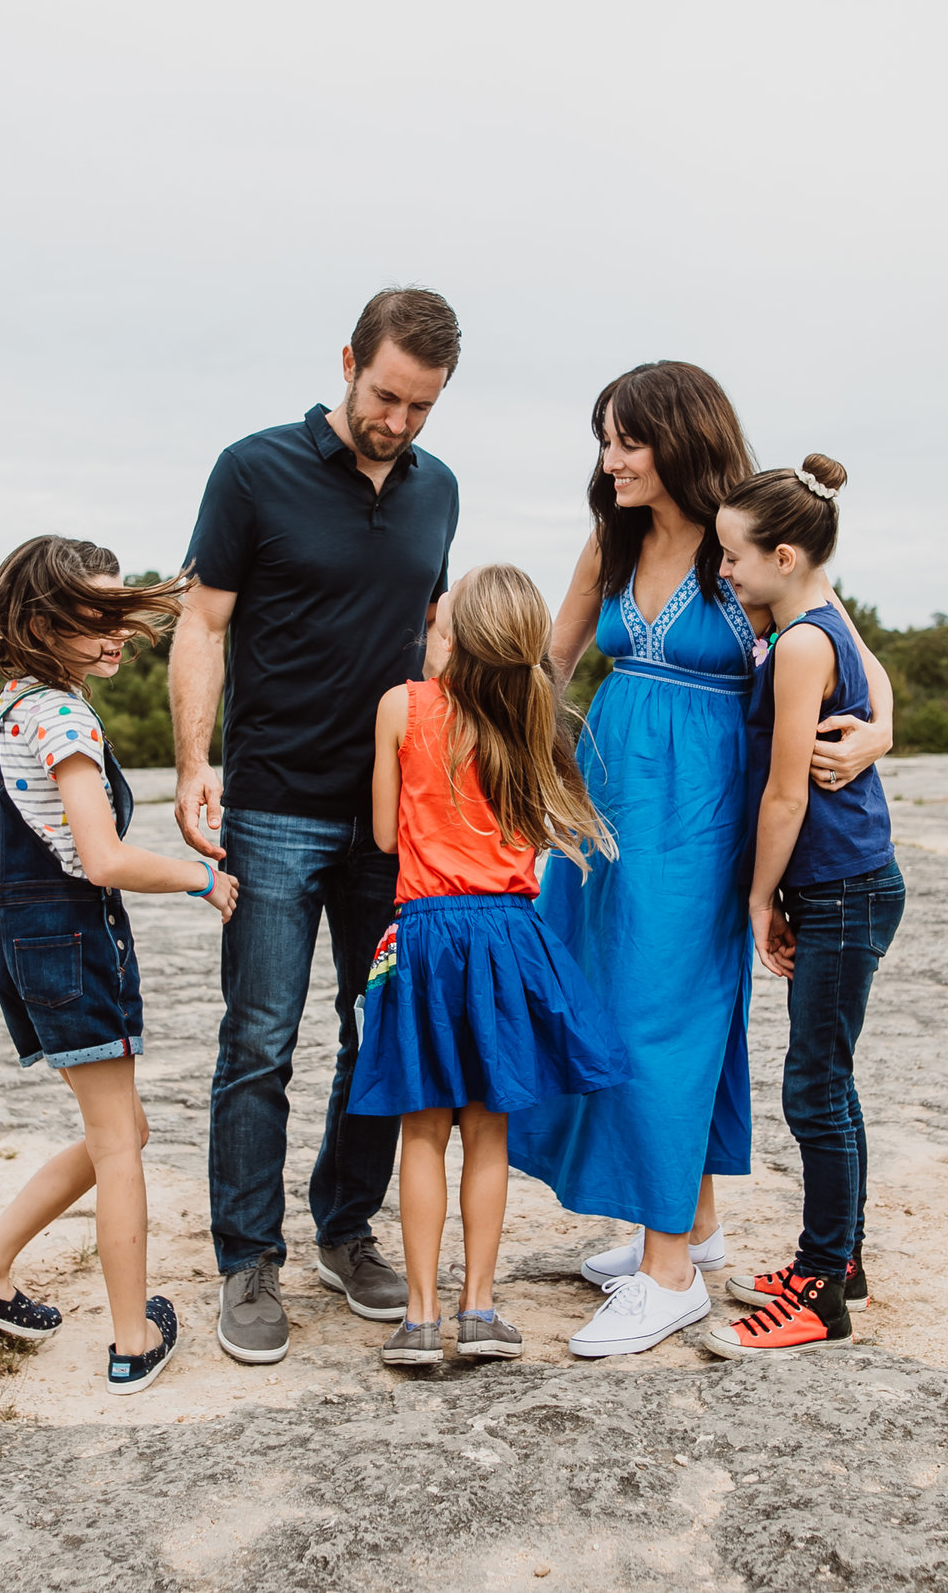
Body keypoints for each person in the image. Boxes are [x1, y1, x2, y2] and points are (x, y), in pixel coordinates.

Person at [506, 361, 894, 1359]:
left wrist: (877, 733)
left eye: (626, 439)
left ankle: (667, 1271)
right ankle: (692, 1220)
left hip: (704, 804)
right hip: (608, 799)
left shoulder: (744, 535)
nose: (611, 459)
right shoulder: (616, 533)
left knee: (665, 1012)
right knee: (600, 997)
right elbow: (554, 657)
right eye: (604, 439)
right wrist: (499, 758)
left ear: (676, 435)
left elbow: (845, 644)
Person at [0, 536, 240, 1398]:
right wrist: (200, 875)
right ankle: (133, 1339)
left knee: (120, 1130)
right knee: (119, 1143)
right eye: (89, 620)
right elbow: (101, 859)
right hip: (73, 939)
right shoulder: (61, 717)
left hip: (21, 943)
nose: (112, 637)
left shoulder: (5, 711)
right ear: (38, 621)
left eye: (116, 618)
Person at [170, 288, 465, 1364]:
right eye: (385, 395)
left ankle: (345, 1226)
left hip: (393, 818)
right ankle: (248, 1257)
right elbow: (202, 623)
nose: (397, 422)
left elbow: (432, 635)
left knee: (376, 1032)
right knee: (259, 1038)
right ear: (348, 360)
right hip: (274, 805)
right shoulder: (252, 469)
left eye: (421, 407)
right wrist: (196, 761)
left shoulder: (439, 492)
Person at [350, 565, 628, 1367]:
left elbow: (382, 836)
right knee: (488, 1133)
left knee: (422, 1132)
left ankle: (419, 1316)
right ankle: (478, 1309)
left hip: (426, 938)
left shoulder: (402, 706)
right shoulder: (534, 715)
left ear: (456, 634)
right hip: (507, 936)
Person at [703, 458, 907, 1357]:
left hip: (840, 888)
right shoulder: (820, 614)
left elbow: (786, 795)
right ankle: (840, 1259)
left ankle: (822, 1290)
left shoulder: (797, 645)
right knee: (830, 1079)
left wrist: (757, 899)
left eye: (735, 559)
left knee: (815, 1088)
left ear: (784, 555)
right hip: (849, 885)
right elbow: (874, 685)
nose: (725, 572)